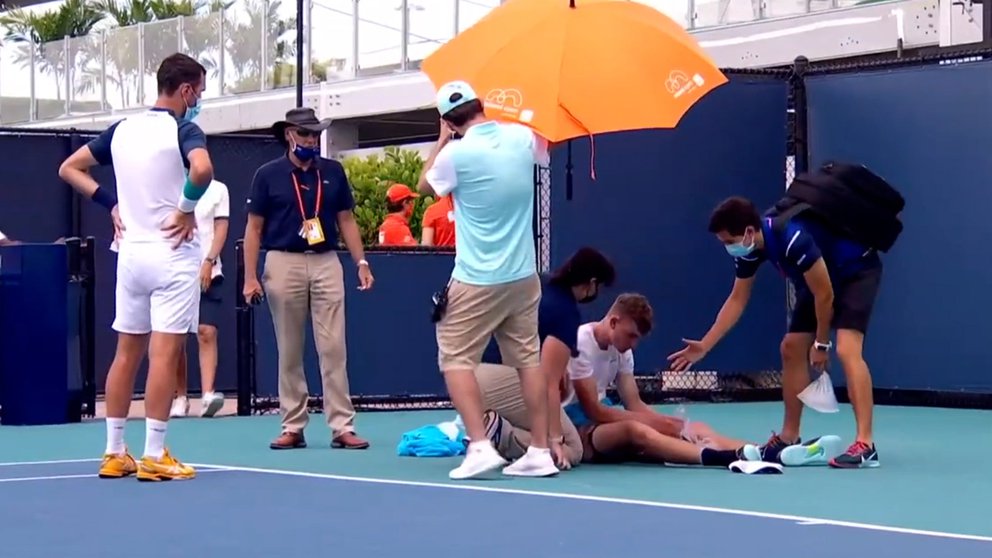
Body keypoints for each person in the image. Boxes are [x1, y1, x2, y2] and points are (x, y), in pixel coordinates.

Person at [58, 52, 213, 481]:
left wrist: (112, 204)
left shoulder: (121, 130)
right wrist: (185, 209)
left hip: (130, 256)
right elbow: (201, 168)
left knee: (126, 354)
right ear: (185, 90)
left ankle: (113, 452)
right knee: (165, 353)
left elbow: (69, 168)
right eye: (198, 91)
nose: (199, 98)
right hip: (172, 255)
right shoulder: (184, 128)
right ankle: (155, 454)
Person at [669, 196, 881, 468]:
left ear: (748, 232)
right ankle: (789, 436)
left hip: (855, 271)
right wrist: (705, 345)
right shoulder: (750, 249)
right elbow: (737, 299)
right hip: (818, 281)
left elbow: (825, 294)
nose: (727, 247)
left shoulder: (792, 238)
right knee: (791, 347)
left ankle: (866, 444)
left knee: (848, 349)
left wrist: (821, 343)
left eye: (728, 241)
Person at [416, 80, 554, 480]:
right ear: (480, 106)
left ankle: (479, 446)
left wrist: (442, 140)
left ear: (448, 120)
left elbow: (425, 185)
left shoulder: (454, 154)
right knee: (527, 360)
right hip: (524, 278)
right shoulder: (521, 137)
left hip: (478, 279)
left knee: (454, 356)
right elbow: (544, 147)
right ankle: (540, 451)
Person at [243, 107, 374, 451]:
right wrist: (250, 277)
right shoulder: (267, 174)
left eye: (315, 134)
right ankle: (293, 425)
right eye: (304, 134)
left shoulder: (332, 171)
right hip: (282, 261)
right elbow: (253, 228)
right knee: (289, 348)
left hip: (326, 260)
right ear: (289, 134)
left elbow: (346, 219)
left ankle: (342, 426)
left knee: (333, 347)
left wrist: (361, 261)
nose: (311, 140)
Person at [565, 294, 747, 467]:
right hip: (576, 428)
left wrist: (672, 425)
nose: (634, 345)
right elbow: (595, 412)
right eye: (632, 335)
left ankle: (755, 451)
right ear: (613, 322)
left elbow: (634, 404)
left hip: (602, 422)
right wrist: (662, 424)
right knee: (635, 430)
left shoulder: (623, 352)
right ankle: (719, 458)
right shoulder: (580, 343)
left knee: (690, 427)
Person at [476, 247, 617, 471]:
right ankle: (502, 435)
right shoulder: (567, 312)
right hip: (498, 379)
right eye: (599, 286)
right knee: (574, 448)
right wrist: (555, 439)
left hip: (470, 378)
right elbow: (549, 383)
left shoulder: (541, 284)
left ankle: (495, 428)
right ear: (591, 282)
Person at [171, 178, 230, 418]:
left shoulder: (218, 189)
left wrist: (209, 260)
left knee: (207, 331)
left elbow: (221, 229)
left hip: (209, 271)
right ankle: (180, 397)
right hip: (174, 270)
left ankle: (207, 395)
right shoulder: (168, 184)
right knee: (175, 336)